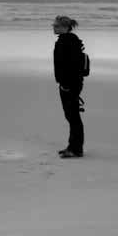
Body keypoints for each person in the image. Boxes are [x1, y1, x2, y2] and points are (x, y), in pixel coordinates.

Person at [52, 14, 87, 158]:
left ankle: (76, 149)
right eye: (53, 25)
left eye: (57, 26)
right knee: (71, 116)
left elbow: (71, 66)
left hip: (70, 85)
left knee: (73, 117)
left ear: (66, 27)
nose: (54, 27)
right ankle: (73, 146)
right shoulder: (68, 40)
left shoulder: (67, 42)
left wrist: (66, 85)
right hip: (71, 84)